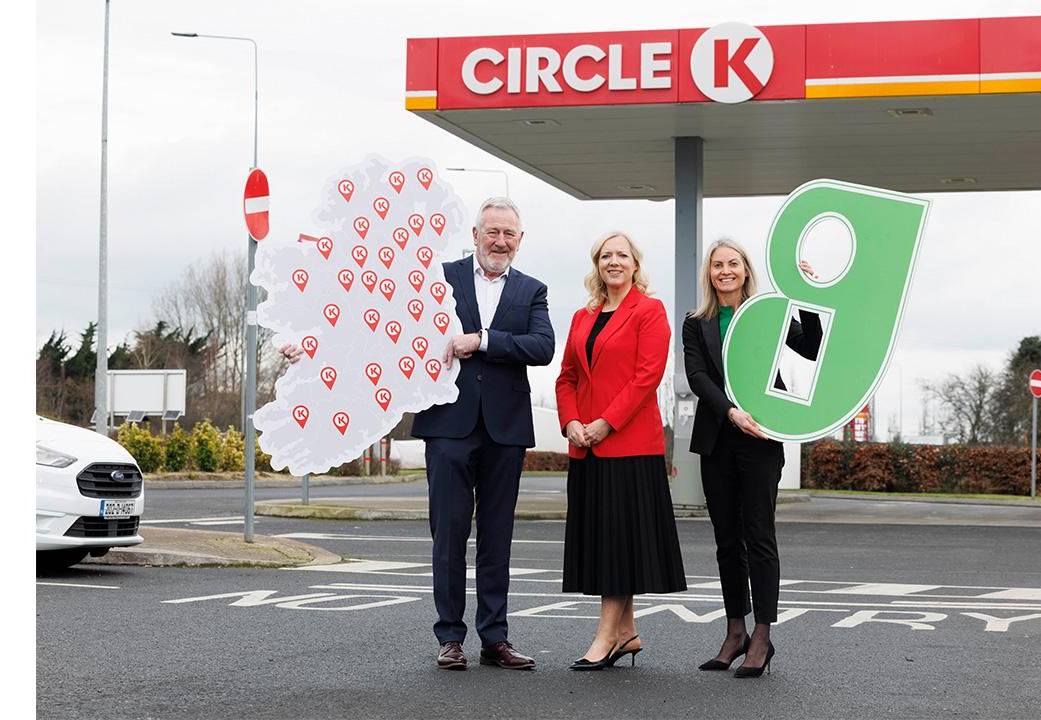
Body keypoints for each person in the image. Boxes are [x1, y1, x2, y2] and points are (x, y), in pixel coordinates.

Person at [281, 197, 554, 672]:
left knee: (497, 537)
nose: (500, 241)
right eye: (492, 231)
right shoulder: (439, 278)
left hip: (505, 432)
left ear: (520, 240)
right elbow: (376, 320)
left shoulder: (532, 290)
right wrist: (311, 345)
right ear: (474, 234)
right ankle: (450, 637)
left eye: (509, 234)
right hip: (448, 425)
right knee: (448, 534)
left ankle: (496, 638)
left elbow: (543, 346)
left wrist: (483, 341)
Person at [681, 238, 821, 678]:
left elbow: (810, 345)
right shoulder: (695, 323)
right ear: (709, 273)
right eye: (717, 264)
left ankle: (762, 634)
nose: (725, 270)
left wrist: (811, 296)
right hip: (718, 436)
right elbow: (697, 375)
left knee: (759, 534)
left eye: (733, 264)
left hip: (761, 437)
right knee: (727, 541)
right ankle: (734, 631)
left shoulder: (766, 316)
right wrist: (729, 412)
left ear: (745, 271)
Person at [555, 231, 686, 671]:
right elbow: (567, 377)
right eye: (605, 256)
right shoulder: (581, 316)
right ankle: (627, 633)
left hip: (628, 446)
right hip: (585, 447)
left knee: (617, 545)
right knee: (607, 544)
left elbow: (647, 377)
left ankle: (605, 637)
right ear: (597, 265)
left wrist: (604, 423)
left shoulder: (650, 311)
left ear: (635, 264)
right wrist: (572, 422)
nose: (613, 262)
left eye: (621, 255)